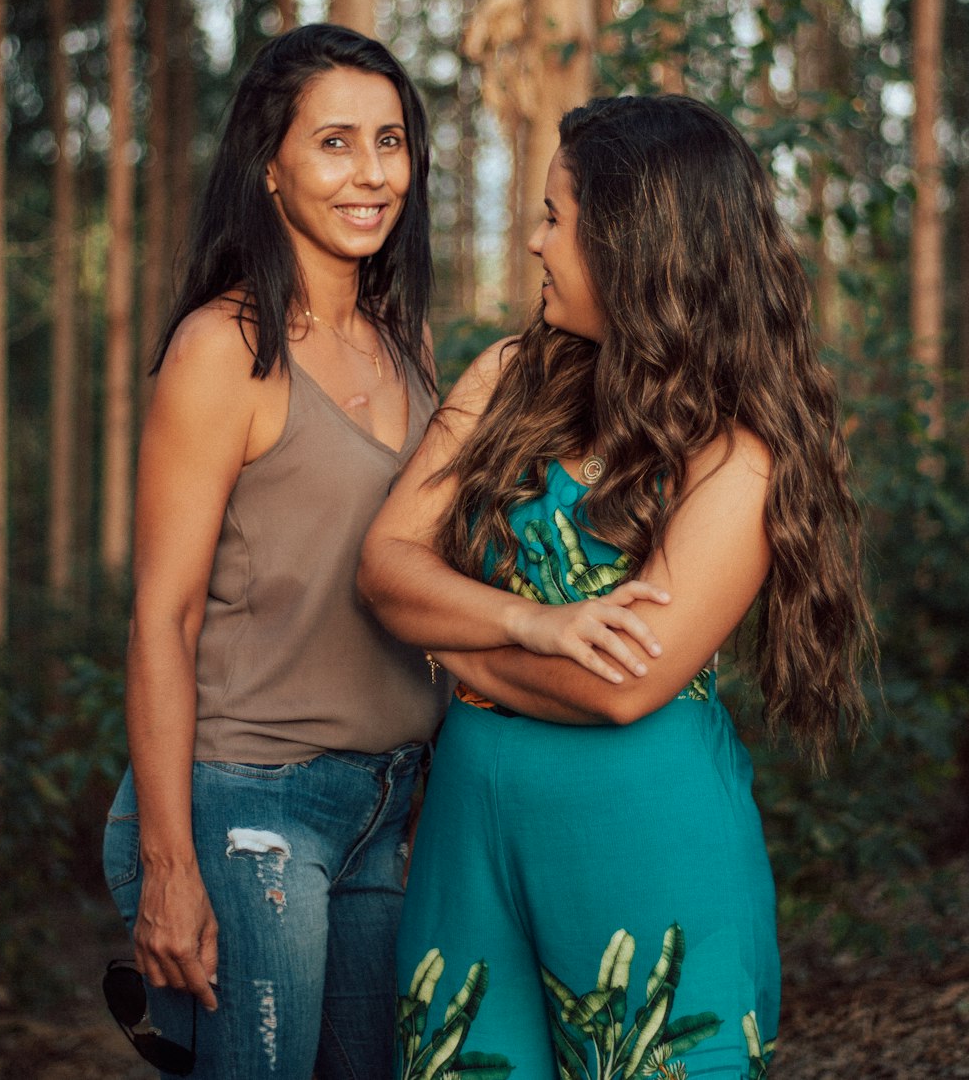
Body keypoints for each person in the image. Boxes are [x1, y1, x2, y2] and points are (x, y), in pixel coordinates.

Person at [359, 94, 874, 1080]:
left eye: (555, 217)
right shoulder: (507, 374)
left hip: (646, 839)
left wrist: (449, 644)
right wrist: (531, 624)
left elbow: (622, 685)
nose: (536, 241)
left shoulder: (740, 452)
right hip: (467, 837)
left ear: (632, 245)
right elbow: (384, 565)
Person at [102, 23, 449, 1080]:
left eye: (389, 142)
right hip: (249, 803)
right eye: (336, 142)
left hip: (382, 807)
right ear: (270, 166)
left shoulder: (406, 345)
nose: (372, 173)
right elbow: (164, 615)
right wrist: (169, 868)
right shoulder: (224, 349)